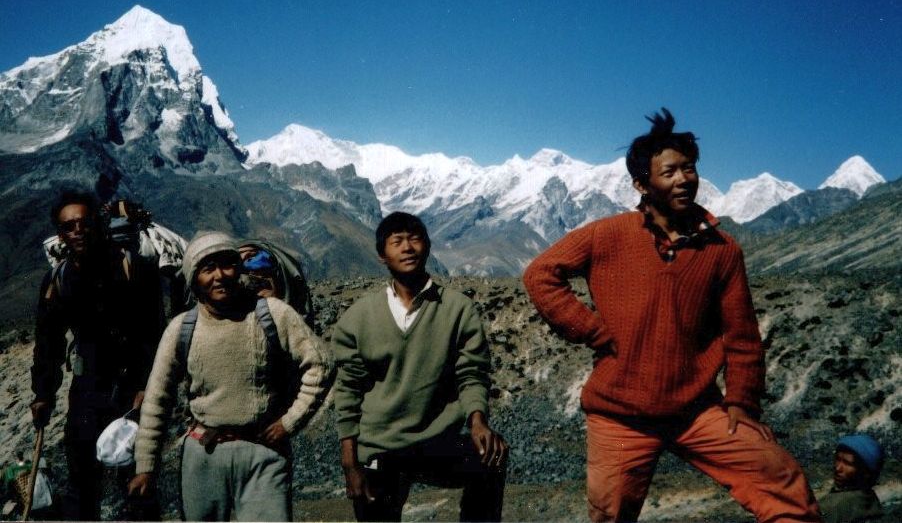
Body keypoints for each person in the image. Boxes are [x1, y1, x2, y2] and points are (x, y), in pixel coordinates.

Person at [523, 109, 821, 523]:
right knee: (610, 516)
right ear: (642, 184)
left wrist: (742, 404)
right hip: (619, 413)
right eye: (670, 172)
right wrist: (589, 329)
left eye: (690, 169)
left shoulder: (722, 250)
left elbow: (742, 335)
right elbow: (541, 273)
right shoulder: (607, 234)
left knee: (781, 478)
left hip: (695, 411)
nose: (684, 179)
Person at [128, 231, 331, 521]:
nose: (219, 276)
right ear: (194, 279)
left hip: (265, 451)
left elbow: (321, 364)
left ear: (239, 268)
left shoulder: (273, 313)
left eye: (227, 264)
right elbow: (157, 400)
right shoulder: (181, 329)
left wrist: (289, 422)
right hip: (203, 454)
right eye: (207, 269)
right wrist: (145, 466)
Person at [332, 212, 508, 522]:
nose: (407, 248)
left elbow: (471, 373)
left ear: (427, 247)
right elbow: (348, 390)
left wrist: (478, 420)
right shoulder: (359, 317)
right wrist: (350, 462)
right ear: (382, 256)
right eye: (396, 241)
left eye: (415, 239)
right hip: (378, 443)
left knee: (491, 456)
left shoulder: (457, 309)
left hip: (435, 438)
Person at [31, 189, 163, 520]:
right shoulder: (59, 279)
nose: (77, 230)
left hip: (133, 390)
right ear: (60, 234)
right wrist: (43, 393)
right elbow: (48, 341)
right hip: (87, 391)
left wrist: (148, 385)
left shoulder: (133, 268)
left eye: (83, 222)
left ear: (97, 224)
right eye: (68, 226)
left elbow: (154, 332)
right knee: (81, 482)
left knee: (137, 482)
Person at [820, 434, 884, 523]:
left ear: (865, 472)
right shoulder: (869, 498)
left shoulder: (833, 506)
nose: (838, 468)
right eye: (838, 459)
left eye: (847, 463)